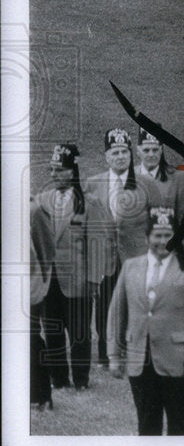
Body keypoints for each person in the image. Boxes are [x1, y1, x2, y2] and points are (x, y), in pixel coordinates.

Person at [107, 207, 184, 435]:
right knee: (147, 426)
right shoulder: (130, 267)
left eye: (168, 235)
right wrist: (114, 356)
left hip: (178, 361)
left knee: (180, 424)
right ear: (147, 237)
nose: (163, 241)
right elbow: (117, 313)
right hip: (140, 360)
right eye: (157, 235)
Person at [85, 127, 162, 369]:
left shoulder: (146, 182)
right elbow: (86, 222)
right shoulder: (93, 183)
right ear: (106, 156)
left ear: (131, 155)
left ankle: (135, 351)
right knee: (105, 303)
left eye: (124, 152)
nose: (120, 157)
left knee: (136, 303)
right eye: (115, 152)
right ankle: (105, 355)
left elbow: (157, 219)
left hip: (136, 253)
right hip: (105, 255)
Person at [34, 143, 99, 390]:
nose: (53, 174)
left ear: (71, 172)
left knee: (79, 333)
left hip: (78, 280)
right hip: (49, 279)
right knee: (52, 331)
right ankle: (58, 380)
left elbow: (98, 244)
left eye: (58, 169)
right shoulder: (42, 200)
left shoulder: (88, 203)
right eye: (51, 169)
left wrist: (93, 279)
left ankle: (81, 380)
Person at [135, 127, 184, 250]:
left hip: (167, 250)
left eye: (155, 150)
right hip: (136, 253)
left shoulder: (178, 178)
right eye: (146, 150)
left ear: (161, 150)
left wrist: (183, 258)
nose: (151, 154)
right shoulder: (129, 176)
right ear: (137, 151)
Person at [29, 196, 55, 410]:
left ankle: (41, 395)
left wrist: (41, 283)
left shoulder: (33, 209)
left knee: (30, 336)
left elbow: (47, 250)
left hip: (26, 284)